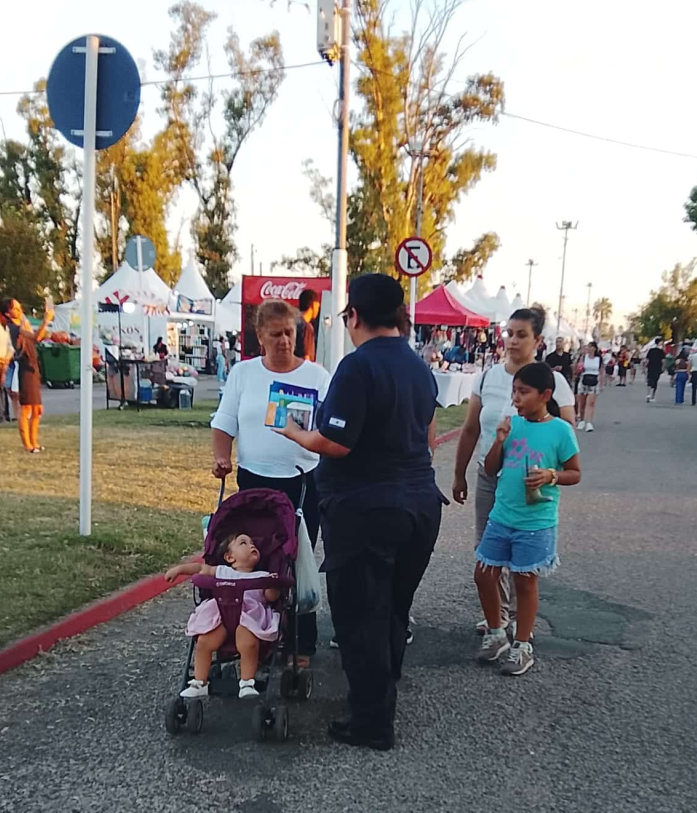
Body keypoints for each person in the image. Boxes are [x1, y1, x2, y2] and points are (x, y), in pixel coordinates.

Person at [275, 274, 444, 751]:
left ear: (353, 317)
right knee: (393, 605)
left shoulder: (357, 366)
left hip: (368, 508)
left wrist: (295, 433)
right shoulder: (419, 367)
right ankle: (382, 685)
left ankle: (371, 720)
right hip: (420, 504)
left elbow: (335, 442)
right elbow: (429, 436)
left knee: (360, 615)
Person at [210, 299, 331, 666]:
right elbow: (224, 421)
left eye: (289, 333)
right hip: (253, 482)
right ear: (259, 335)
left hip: (303, 482)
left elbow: (330, 430)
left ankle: (300, 642)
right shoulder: (243, 374)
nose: (283, 340)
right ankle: (253, 632)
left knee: (298, 562)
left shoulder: (317, 376)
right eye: (275, 334)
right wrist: (221, 457)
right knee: (255, 560)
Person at [452, 306, 576, 638]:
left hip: (529, 479)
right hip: (490, 474)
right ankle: (498, 616)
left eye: (522, 335)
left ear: (537, 339)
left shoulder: (553, 382)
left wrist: (550, 473)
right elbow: (470, 429)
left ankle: (523, 623)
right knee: (488, 550)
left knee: (523, 554)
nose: (513, 340)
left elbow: (567, 430)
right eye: (509, 333)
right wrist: (459, 473)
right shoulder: (489, 377)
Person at [474, 362, 581, 674]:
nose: (516, 399)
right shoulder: (512, 425)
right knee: (484, 574)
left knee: (525, 581)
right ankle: (496, 635)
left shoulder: (561, 430)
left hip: (535, 522)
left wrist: (551, 475)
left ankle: (522, 645)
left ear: (545, 394)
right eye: (514, 392)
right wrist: (499, 439)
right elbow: (490, 469)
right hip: (501, 515)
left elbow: (575, 473)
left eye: (523, 392)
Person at [165, 532, 281, 701]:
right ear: (229, 557)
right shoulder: (222, 571)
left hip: (249, 619)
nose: (251, 546)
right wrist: (180, 569)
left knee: (248, 643)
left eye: (253, 543)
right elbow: (200, 569)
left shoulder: (262, 576)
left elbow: (271, 597)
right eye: (243, 543)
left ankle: (247, 682)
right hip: (221, 617)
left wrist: (273, 584)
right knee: (204, 642)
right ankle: (199, 682)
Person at [0, 298, 53, 452]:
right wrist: (46, 319)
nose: (18, 309)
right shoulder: (14, 328)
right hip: (24, 366)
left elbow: (38, 337)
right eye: (14, 308)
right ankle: (27, 444)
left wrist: (46, 330)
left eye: (18, 306)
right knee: (27, 408)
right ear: (7, 313)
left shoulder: (23, 323)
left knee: (37, 409)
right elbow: (34, 337)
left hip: (33, 366)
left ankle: (34, 441)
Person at [576, 342, 602, 432]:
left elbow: (602, 370)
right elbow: (578, 368)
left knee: (591, 403)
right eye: (588, 347)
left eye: (591, 347)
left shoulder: (598, 359)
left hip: (594, 380)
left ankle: (589, 422)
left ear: (594, 348)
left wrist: (602, 383)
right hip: (584, 379)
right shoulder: (584, 357)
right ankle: (582, 420)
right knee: (582, 402)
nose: (589, 349)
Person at [296, 289, 318, 362]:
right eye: (317, 306)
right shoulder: (307, 327)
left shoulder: (292, 322)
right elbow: (307, 356)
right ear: (313, 305)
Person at [645, 338, 665, 403]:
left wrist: (645, 367)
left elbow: (647, 359)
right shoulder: (661, 351)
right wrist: (663, 368)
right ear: (659, 343)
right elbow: (663, 361)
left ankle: (648, 394)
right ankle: (653, 396)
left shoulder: (651, 350)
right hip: (657, 368)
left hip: (650, 367)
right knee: (655, 381)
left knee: (649, 380)